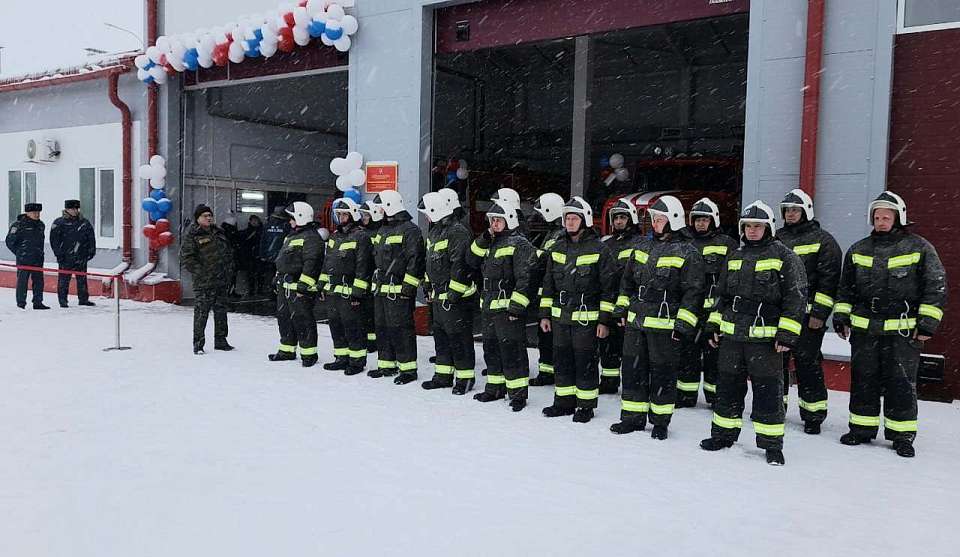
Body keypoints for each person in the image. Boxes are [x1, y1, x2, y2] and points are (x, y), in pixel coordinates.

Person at [833, 191, 946, 458]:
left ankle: (902, 436)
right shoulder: (858, 249)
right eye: (877, 217)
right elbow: (845, 288)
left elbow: (936, 286)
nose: (881, 221)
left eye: (886, 217)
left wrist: (928, 323)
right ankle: (861, 429)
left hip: (902, 330)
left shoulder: (919, 247)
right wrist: (841, 316)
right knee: (863, 378)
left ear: (899, 217)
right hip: (865, 329)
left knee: (901, 382)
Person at [700, 201, 807, 466]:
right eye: (747, 226)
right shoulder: (735, 256)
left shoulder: (785, 257)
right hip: (732, 336)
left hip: (765, 340)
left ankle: (771, 445)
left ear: (768, 227)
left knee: (767, 392)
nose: (752, 231)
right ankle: (723, 435)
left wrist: (787, 334)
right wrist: (714, 325)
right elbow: (721, 296)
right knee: (728, 388)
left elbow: (796, 298)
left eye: (757, 226)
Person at [609, 196, 704, 439]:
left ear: (673, 220)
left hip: (665, 325)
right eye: (653, 219)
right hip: (636, 322)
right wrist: (621, 309)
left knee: (663, 373)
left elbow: (693, 293)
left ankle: (660, 421)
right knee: (632, 370)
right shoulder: (641, 247)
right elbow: (627, 283)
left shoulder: (688, 252)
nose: (655, 223)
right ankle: (631, 418)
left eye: (659, 219)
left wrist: (683, 325)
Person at [539, 196, 619, 423]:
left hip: (587, 318)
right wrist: (544, 315)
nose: (570, 222)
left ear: (584, 220)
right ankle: (563, 402)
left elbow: (608, 289)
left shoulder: (600, 250)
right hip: (560, 316)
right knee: (562, 359)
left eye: (574, 218)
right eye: (567, 218)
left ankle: (585, 406)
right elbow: (548, 285)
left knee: (585, 362)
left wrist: (604, 321)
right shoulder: (556, 247)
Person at [777, 189, 842, 434]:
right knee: (776, 364)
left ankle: (813, 415)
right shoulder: (776, 238)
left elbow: (829, 282)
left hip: (808, 318)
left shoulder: (823, 241)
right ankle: (776, 409)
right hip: (780, 317)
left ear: (806, 211)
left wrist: (819, 314)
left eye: (795, 210)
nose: (791, 214)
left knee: (807, 363)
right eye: (787, 210)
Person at [466, 201, 537, 410]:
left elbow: (526, 278)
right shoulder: (489, 242)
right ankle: (494, 388)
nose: (495, 224)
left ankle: (518, 394)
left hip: (508, 310)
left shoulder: (519, 244)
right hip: (489, 308)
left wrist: (516, 307)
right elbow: (470, 259)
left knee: (512, 351)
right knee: (491, 350)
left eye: (498, 220)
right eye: (492, 220)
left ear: (509, 220)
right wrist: (484, 237)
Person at [676, 198, 739, 407]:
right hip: (690, 309)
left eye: (705, 220)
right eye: (697, 220)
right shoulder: (684, 244)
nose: (701, 224)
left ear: (714, 220)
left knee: (715, 356)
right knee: (687, 354)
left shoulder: (727, 244)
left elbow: (732, 279)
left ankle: (715, 397)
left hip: (715, 309)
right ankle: (686, 395)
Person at [420, 190, 479, 395]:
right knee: (442, 338)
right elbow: (431, 262)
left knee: (459, 339)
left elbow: (460, 266)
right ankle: (443, 376)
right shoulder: (436, 231)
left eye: (427, 212)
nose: (426, 216)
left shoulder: (458, 232)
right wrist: (427, 284)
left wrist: (453, 294)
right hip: (439, 298)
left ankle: (465, 378)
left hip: (456, 299)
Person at [368, 190, 426, 384]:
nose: (380, 211)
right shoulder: (382, 230)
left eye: (382, 207)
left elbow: (415, 260)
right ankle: (386, 365)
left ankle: (408, 370)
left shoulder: (410, 230)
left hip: (399, 291)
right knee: (382, 327)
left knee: (402, 329)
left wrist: (408, 288)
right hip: (382, 290)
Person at [320, 198, 374, 376]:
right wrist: (321, 285)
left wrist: (358, 293)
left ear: (353, 215)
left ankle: (357, 361)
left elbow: (363, 266)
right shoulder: (334, 236)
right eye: (339, 214)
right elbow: (327, 263)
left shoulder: (361, 236)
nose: (342, 217)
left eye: (345, 214)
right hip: (333, 291)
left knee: (353, 327)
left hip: (350, 291)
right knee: (336, 325)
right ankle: (341, 357)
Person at [267, 202, 324, 367]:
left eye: (292, 218)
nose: (290, 222)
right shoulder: (292, 236)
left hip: (299, 289)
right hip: (285, 287)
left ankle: (309, 354)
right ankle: (287, 350)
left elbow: (312, 263)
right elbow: (283, 259)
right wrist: (277, 277)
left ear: (300, 217)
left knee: (303, 320)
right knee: (284, 319)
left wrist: (303, 287)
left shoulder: (311, 237)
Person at [598, 197, 644, 395]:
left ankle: (631, 385)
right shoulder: (605, 242)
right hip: (608, 300)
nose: (618, 221)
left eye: (623, 217)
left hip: (629, 303)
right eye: (616, 218)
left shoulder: (640, 244)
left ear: (631, 219)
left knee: (630, 348)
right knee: (607, 344)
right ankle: (608, 382)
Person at [180, 204, 235, 354]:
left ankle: (221, 340)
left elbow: (228, 253)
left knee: (221, 311)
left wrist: (229, 272)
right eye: (205, 216)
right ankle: (198, 344)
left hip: (221, 280)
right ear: (197, 218)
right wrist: (202, 273)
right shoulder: (192, 234)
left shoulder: (218, 232)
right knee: (201, 313)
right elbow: (187, 259)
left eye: (210, 215)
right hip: (204, 282)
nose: (209, 218)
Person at [529, 192, 567, 386]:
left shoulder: (559, 236)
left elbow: (544, 260)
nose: (540, 217)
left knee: (548, 335)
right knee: (545, 335)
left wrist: (533, 254)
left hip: (553, 295)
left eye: (542, 213)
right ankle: (547, 370)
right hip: (547, 294)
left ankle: (548, 371)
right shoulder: (553, 234)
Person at [49, 200, 97, 308]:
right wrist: (59, 254)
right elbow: (54, 241)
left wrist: (91, 251)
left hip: (81, 256)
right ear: (66, 209)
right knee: (64, 280)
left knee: (82, 279)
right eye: (72, 209)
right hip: (65, 257)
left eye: (76, 209)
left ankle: (83, 299)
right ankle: (63, 300)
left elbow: (91, 238)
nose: (74, 211)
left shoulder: (84, 222)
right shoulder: (59, 223)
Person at [6, 203, 49, 310]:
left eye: (38, 212)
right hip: (24, 259)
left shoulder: (40, 225)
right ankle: (21, 303)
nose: (37, 214)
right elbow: (9, 241)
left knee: (38, 282)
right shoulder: (18, 225)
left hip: (38, 258)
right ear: (27, 213)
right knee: (22, 282)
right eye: (34, 212)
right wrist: (20, 253)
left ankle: (38, 302)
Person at [359, 200, 385, 353]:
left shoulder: (377, 234)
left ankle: (373, 342)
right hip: (366, 277)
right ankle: (370, 340)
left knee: (372, 312)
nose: (363, 218)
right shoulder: (364, 233)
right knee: (367, 312)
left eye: (366, 215)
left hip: (373, 278)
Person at [260, 205, 291, 291]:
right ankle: (277, 292)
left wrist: (262, 254)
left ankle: (270, 291)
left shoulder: (267, 225)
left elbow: (263, 241)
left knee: (269, 275)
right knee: (280, 275)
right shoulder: (286, 226)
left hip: (269, 256)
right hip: (281, 255)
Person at [239, 215, 264, 297]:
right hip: (251, 256)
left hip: (257, 255)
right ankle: (253, 290)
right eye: (253, 221)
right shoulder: (254, 231)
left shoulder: (261, 231)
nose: (254, 222)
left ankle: (258, 290)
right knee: (252, 274)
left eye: (255, 221)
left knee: (259, 274)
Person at [221, 215, 242, 297]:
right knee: (231, 277)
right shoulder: (232, 233)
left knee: (228, 277)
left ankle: (228, 292)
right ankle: (230, 292)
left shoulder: (222, 232)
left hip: (226, 259)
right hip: (231, 259)